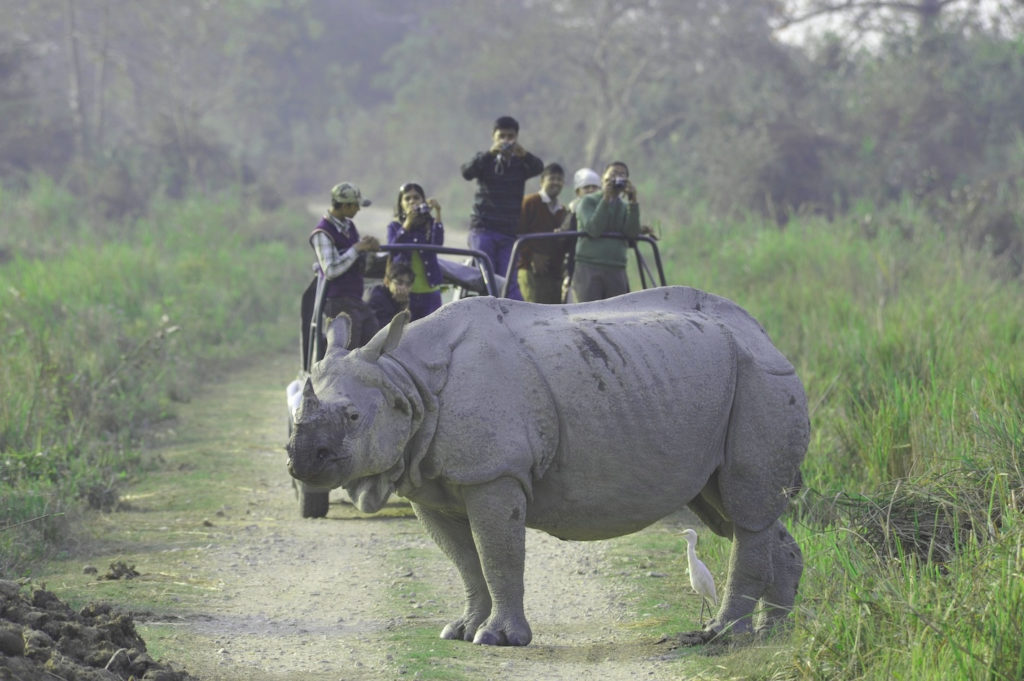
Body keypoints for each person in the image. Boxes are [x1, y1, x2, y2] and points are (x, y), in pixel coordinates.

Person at [461, 115, 544, 300]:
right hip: (483, 229)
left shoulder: (521, 163)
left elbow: (539, 167)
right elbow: (467, 172)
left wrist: (525, 154)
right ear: (493, 136)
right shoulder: (484, 160)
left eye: (510, 136)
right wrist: (490, 153)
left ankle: (512, 322)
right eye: (502, 136)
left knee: (508, 283)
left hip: (508, 232)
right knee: (484, 280)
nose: (506, 140)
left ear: (516, 137)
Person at [309, 182, 380, 352]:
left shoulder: (349, 226)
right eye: (355, 206)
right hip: (337, 301)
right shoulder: (322, 233)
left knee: (374, 336)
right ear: (345, 206)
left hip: (354, 298)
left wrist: (369, 248)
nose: (358, 210)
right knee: (347, 348)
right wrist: (356, 249)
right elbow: (331, 270)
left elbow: (356, 259)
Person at [571, 161, 654, 303]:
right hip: (589, 266)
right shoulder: (588, 201)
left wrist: (633, 202)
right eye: (613, 174)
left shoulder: (623, 206)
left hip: (617, 267)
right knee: (587, 315)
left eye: (622, 175)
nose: (618, 178)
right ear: (603, 178)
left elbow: (631, 233)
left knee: (616, 316)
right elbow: (593, 229)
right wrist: (606, 199)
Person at [386, 182, 445, 321]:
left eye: (416, 198)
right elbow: (392, 249)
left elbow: (438, 244)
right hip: (405, 291)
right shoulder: (395, 225)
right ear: (401, 204)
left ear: (423, 201)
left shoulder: (429, 224)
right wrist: (407, 223)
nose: (412, 201)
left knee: (434, 333)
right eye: (407, 198)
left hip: (430, 291)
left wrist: (438, 212)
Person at [516, 163, 569, 304]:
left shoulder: (562, 210)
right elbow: (517, 233)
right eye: (552, 178)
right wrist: (533, 256)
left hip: (553, 274)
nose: (556, 182)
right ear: (542, 181)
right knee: (530, 311)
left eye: (559, 179)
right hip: (528, 269)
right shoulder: (529, 202)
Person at [367, 261, 415, 327]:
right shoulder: (376, 299)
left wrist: (404, 305)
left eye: (408, 284)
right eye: (399, 282)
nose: (403, 287)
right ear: (387, 282)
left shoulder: (407, 299)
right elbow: (388, 331)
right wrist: (402, 307)